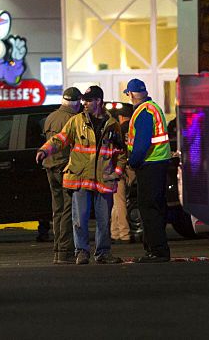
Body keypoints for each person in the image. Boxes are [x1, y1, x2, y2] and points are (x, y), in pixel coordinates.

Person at [37, 85, 126, 265]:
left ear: (98, 101)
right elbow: (60, 139)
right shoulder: (76, 121)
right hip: (80, 177)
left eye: (88, 100)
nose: (84, 103)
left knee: (103, 220)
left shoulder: (112, 125)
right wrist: (45, 150)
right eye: (84, 100)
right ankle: (82, 252)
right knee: (79, 219)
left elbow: (120, 152)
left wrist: (116, 173)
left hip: (103, 179)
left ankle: (102, 253)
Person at [124, 78, 172, 263]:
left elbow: (142, 143)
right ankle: (157, 249)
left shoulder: (143, 112)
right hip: (158, 164)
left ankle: (157, 251)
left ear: (131, 93)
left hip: (149, 164)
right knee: (156, 208)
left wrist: (133, 162)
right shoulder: (153, 107)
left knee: (148, 208)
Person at [39, 87, 82, 263]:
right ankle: (65, 251)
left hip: (50, 167)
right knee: (67, 210)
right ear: (77, 102)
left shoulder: (51, 117)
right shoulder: (72, 119)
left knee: (57, 210)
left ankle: (58, 250)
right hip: (64, 168)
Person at [110, 110, 135, 243]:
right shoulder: (133, 127)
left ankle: (124, 234)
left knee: (118, 201)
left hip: (121, 168)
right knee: (117, 202)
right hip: (131, 167)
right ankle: (115, 233)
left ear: (120, 117)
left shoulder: (118, 129)